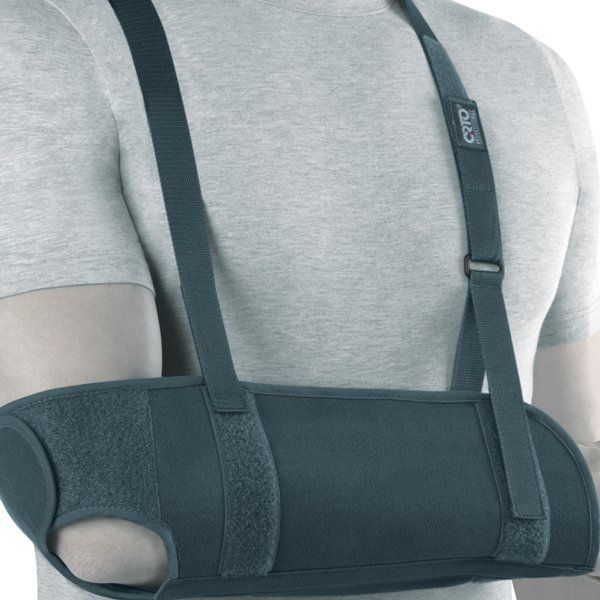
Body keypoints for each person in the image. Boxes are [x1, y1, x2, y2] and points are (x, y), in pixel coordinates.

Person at [1, 0, 599, 599]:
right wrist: (542, 508)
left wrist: (562, 507)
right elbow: (110, 526)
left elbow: (574, 555)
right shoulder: (48, 37)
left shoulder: (532, 71)